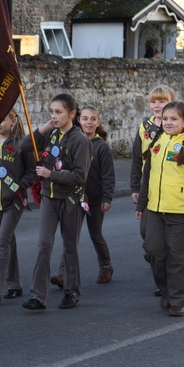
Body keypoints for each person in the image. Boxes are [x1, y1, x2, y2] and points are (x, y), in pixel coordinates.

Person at [135, 101, 184, 317]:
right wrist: (142, 204)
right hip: (155, 210)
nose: (168, 122)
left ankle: (178, 300)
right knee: (153, 250)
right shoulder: (156, 143)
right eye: (165, 118)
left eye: (173, 119)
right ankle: (165, 289)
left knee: (176, 256)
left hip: (180, 212)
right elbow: (147, 176)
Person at [21, 93, 90, 312]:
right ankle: (38, 296)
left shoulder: (80, 140)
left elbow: (80, 176)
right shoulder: (50, 134)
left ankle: (72, 291)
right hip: (49, 198)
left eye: (59, 112)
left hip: (70, 199)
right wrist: (43, 128)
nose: (54, 116)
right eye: (51, 112)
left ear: (72, 114)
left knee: (70, 247)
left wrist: (51, 174)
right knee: (43, 245)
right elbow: (24, 146)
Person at [0, 108, 36, 304]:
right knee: (9, 241)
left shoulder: (22, 145)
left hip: (14, 201)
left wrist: (20, 186)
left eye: (3, 119)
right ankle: (15, 284)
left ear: (13, 121)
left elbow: (32, 171)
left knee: (2, 242)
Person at [51, 105, 115, 285]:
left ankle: (105, 265)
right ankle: (63, 274)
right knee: (71, 236)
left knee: (96, 234)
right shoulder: (74, 142)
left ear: (98, 122)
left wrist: (107, 198)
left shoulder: (101, 147)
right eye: (85, 118)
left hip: (95, 199)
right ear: (79, 120)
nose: (89, 122)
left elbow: (108, 176)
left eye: (93, 119)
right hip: (75, 196)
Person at [130, 86, 176, 256]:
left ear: (172, 103)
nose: (157, 105)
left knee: (174, 228)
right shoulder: (145, 127)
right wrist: (135, 187)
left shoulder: (175, 127)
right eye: (153, 102)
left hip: (172, 186)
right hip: (148, 185)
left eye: (162, 101)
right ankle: (158, 253)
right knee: (145, 230)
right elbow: (136, 158)